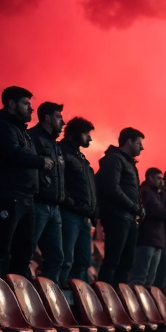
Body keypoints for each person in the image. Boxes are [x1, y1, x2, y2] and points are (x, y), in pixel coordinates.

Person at [0, 86, 52, 276]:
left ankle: (17, 295)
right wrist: (41, 161)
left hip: (25, 198)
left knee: (24, 252)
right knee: (0, 247)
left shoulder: (21, 130)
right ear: (11, 104)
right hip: (7, 196)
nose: (31, 108)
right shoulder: (2, 128)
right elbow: (14, 154)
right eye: (25, 103)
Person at [95, 128, 144, 284]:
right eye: (139, 143)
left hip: (129, 218)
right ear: (128, 141)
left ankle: (118, 299)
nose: (141, 148)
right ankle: (104, 296)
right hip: (118, 217)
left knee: (125, 263)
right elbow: (112, 188)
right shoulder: (115, 159)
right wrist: (134, 207)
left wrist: (138, 208)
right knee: (113, 260)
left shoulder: (127, 162)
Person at [24, 101, 66, 280]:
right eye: (58, 117)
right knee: (26, 251)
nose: (62, 122)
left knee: (56, 257)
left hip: (54, 207)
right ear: (47, 118)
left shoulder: (55, 145)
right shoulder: (32, 137)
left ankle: (49, 299)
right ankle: (20, 293)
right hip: (38, 203)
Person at [59, 117, 97, 283]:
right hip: (69, 214)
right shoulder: (62, 151)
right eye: (86, 134)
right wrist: (71, 203)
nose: (90, 138)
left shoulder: (80, 157)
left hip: (83, 216)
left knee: (83, 261)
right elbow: (58, 182)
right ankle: (59, 297)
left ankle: (77, 298)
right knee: (66, 259)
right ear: (76, 134)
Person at [130, 167, 166, 286]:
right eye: (159, 178)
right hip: (146, 239)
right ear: (150, 177)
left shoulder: (159, 194)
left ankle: (144, 303)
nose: (161, 181)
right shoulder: (145, 192)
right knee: (140, 276)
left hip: (157, 240)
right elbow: (155, 210)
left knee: (150, 278)